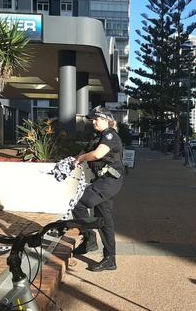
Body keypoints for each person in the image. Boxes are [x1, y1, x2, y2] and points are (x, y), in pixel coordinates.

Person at [72, 106, 124, 272]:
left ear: (106, 120)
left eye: (97, 119)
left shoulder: (110, 136)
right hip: (104, 181)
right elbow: (86, 150)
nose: (93, 121)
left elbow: (97, 155)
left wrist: (80, 158)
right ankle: (110, 259)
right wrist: (71, 161)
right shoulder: (98, 137)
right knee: (105, 220)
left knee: (78, 204)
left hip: (109, 182)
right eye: (93, 119)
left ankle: (89, 238)